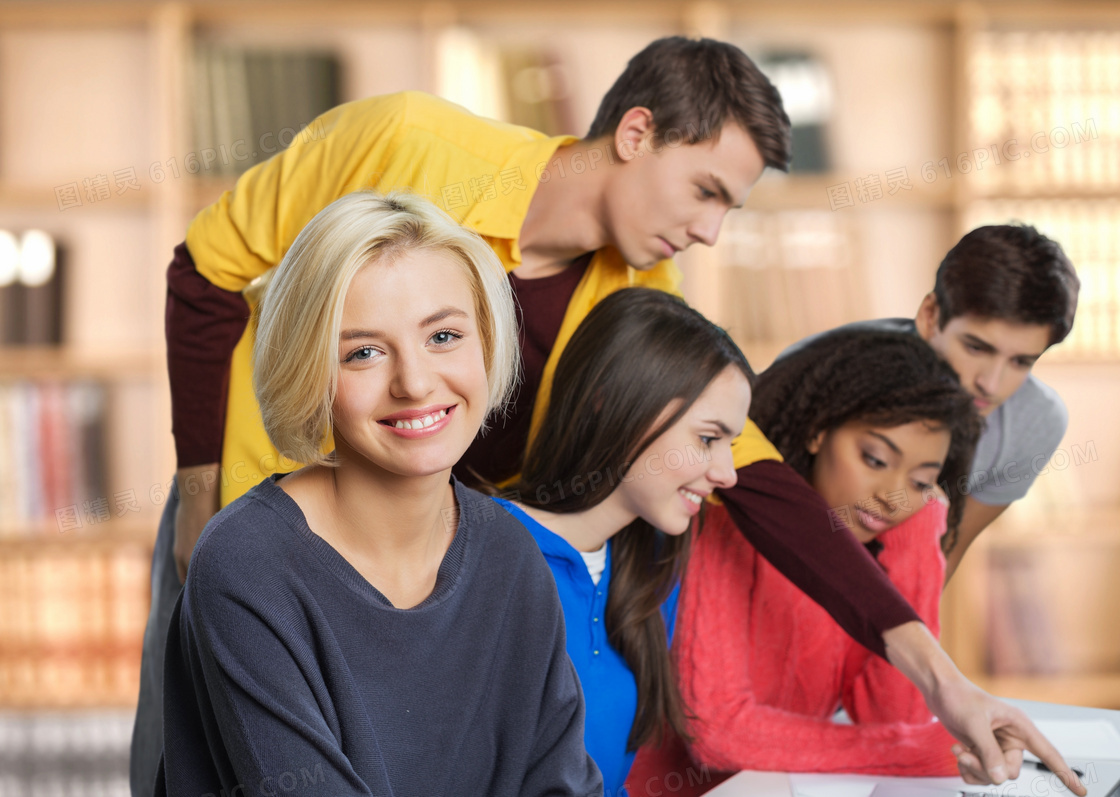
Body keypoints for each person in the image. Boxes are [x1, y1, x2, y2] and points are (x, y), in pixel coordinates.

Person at [133, 35, 1084, 796]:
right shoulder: (406, 143)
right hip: (263, 519)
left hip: (434, 561)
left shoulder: (632, 298)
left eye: (732, 208)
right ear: (636, 133)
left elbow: (754, 478)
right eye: (708, 189)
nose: (714, 228)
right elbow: (207, 269)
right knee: (194, 759)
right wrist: (201, 500)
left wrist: (940, 679)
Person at [153, 191, 602, 797]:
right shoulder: (248, 566)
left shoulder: (511, 555)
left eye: (443, 336)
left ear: (488, 343)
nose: (415, 383)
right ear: (309, 372)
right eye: (362, 352)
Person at [627, 330, 983, 796]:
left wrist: (919, 530)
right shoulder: (727, 519)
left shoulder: (878, 555)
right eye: (874, 459)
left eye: (921, 481)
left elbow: (893, 718)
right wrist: (914, 752)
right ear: (818, 432)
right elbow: (718, 731)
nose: (892, 496)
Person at [490, 288, 752, 795]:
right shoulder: (482, 550)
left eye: (731, 445)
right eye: (707, 439)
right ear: (614, 401)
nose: (727, 474)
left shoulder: (651, 569)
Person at [779, 224, 1079, 581]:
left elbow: (937, 561)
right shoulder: (828, 367)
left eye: (1021, 362)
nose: (991, 384)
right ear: (930, 315)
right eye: (976, 347)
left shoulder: (1035, 421)